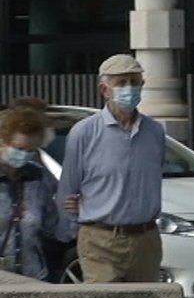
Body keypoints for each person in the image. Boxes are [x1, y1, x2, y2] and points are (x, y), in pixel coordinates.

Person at [56, 53, 165, 283]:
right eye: (121, 82)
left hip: (145, 238)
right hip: (100, 239)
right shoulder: (84, 132)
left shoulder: (154, 131)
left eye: (135, 82)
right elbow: (68, 190)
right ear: (105, 90)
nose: (129, 88)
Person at [0, 106, 64, 280]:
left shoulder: (39, 177)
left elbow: (52, 225)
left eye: (30, 151)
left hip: (33, 276)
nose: (24, 155)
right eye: (19, 148)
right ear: (2, 142)